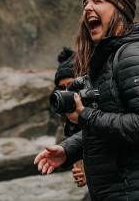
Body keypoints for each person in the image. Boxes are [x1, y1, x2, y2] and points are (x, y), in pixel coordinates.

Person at [34, 0, 139, 201]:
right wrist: (69, 149)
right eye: (85, 3)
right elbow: (116, 122)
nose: (88, 8)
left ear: (121, 9)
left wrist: (85, 115)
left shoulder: (135, 54)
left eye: (98, 1)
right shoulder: (111, 57)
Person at [54, 47, 86, 188]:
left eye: (71, 85)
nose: (67, 91)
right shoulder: (66, 115)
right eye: (62, 87)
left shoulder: (100, 106)